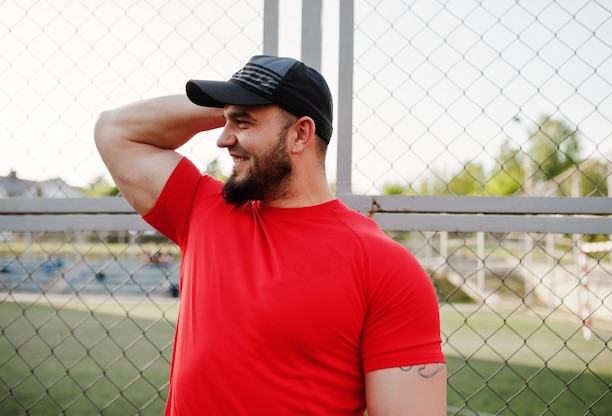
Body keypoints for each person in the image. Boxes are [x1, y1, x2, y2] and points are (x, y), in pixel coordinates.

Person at [95, 55, 446, 415]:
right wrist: (232, 105)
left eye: (243, 123)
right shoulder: (203, 210)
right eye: (225, 121)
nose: (222, 139)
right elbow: (113, 129)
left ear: (300, 134)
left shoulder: (383, 264)